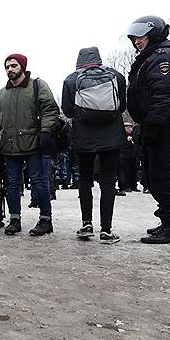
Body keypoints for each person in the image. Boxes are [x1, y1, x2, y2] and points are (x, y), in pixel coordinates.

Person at [125, 16, 170, 244]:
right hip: (156, 125)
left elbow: (165, 95)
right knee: (154, 177)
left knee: (162, 176)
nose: (136, 42)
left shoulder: (166, 56)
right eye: (134, 38)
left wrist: (151, 127)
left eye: (140, 37)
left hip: (164, 126)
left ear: (153, 34)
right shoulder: (153, 56)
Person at [61, 47, 127, 244]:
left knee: (84, 180)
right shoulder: (116, 76)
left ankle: (86, 224)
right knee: (108, 182)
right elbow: (121, 106)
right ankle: (106, 230)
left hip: (84, 138)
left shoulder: (71, 79)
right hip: (112, 137)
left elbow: (68, 111)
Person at [0, 54, 60, 236]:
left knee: (39, 182)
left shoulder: (37, 85)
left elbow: (50, 109)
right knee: (12, 184)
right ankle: (14, 219)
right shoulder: (1, 94)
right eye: (7, 67)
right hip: (9, 145)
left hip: (33, 144)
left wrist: (46, 131)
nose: (10, 69)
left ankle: (45, 219)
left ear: (22, 66)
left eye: (13, 65)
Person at [117, 122, 138, 193]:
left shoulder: (133, 135)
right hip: (123, 155)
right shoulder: (121, 135)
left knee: (133, 171)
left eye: (130, 127)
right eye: (127, 127)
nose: (129, 129)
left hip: (132, 155)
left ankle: (133, 185)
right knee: (124, 171)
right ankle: (125, 186)